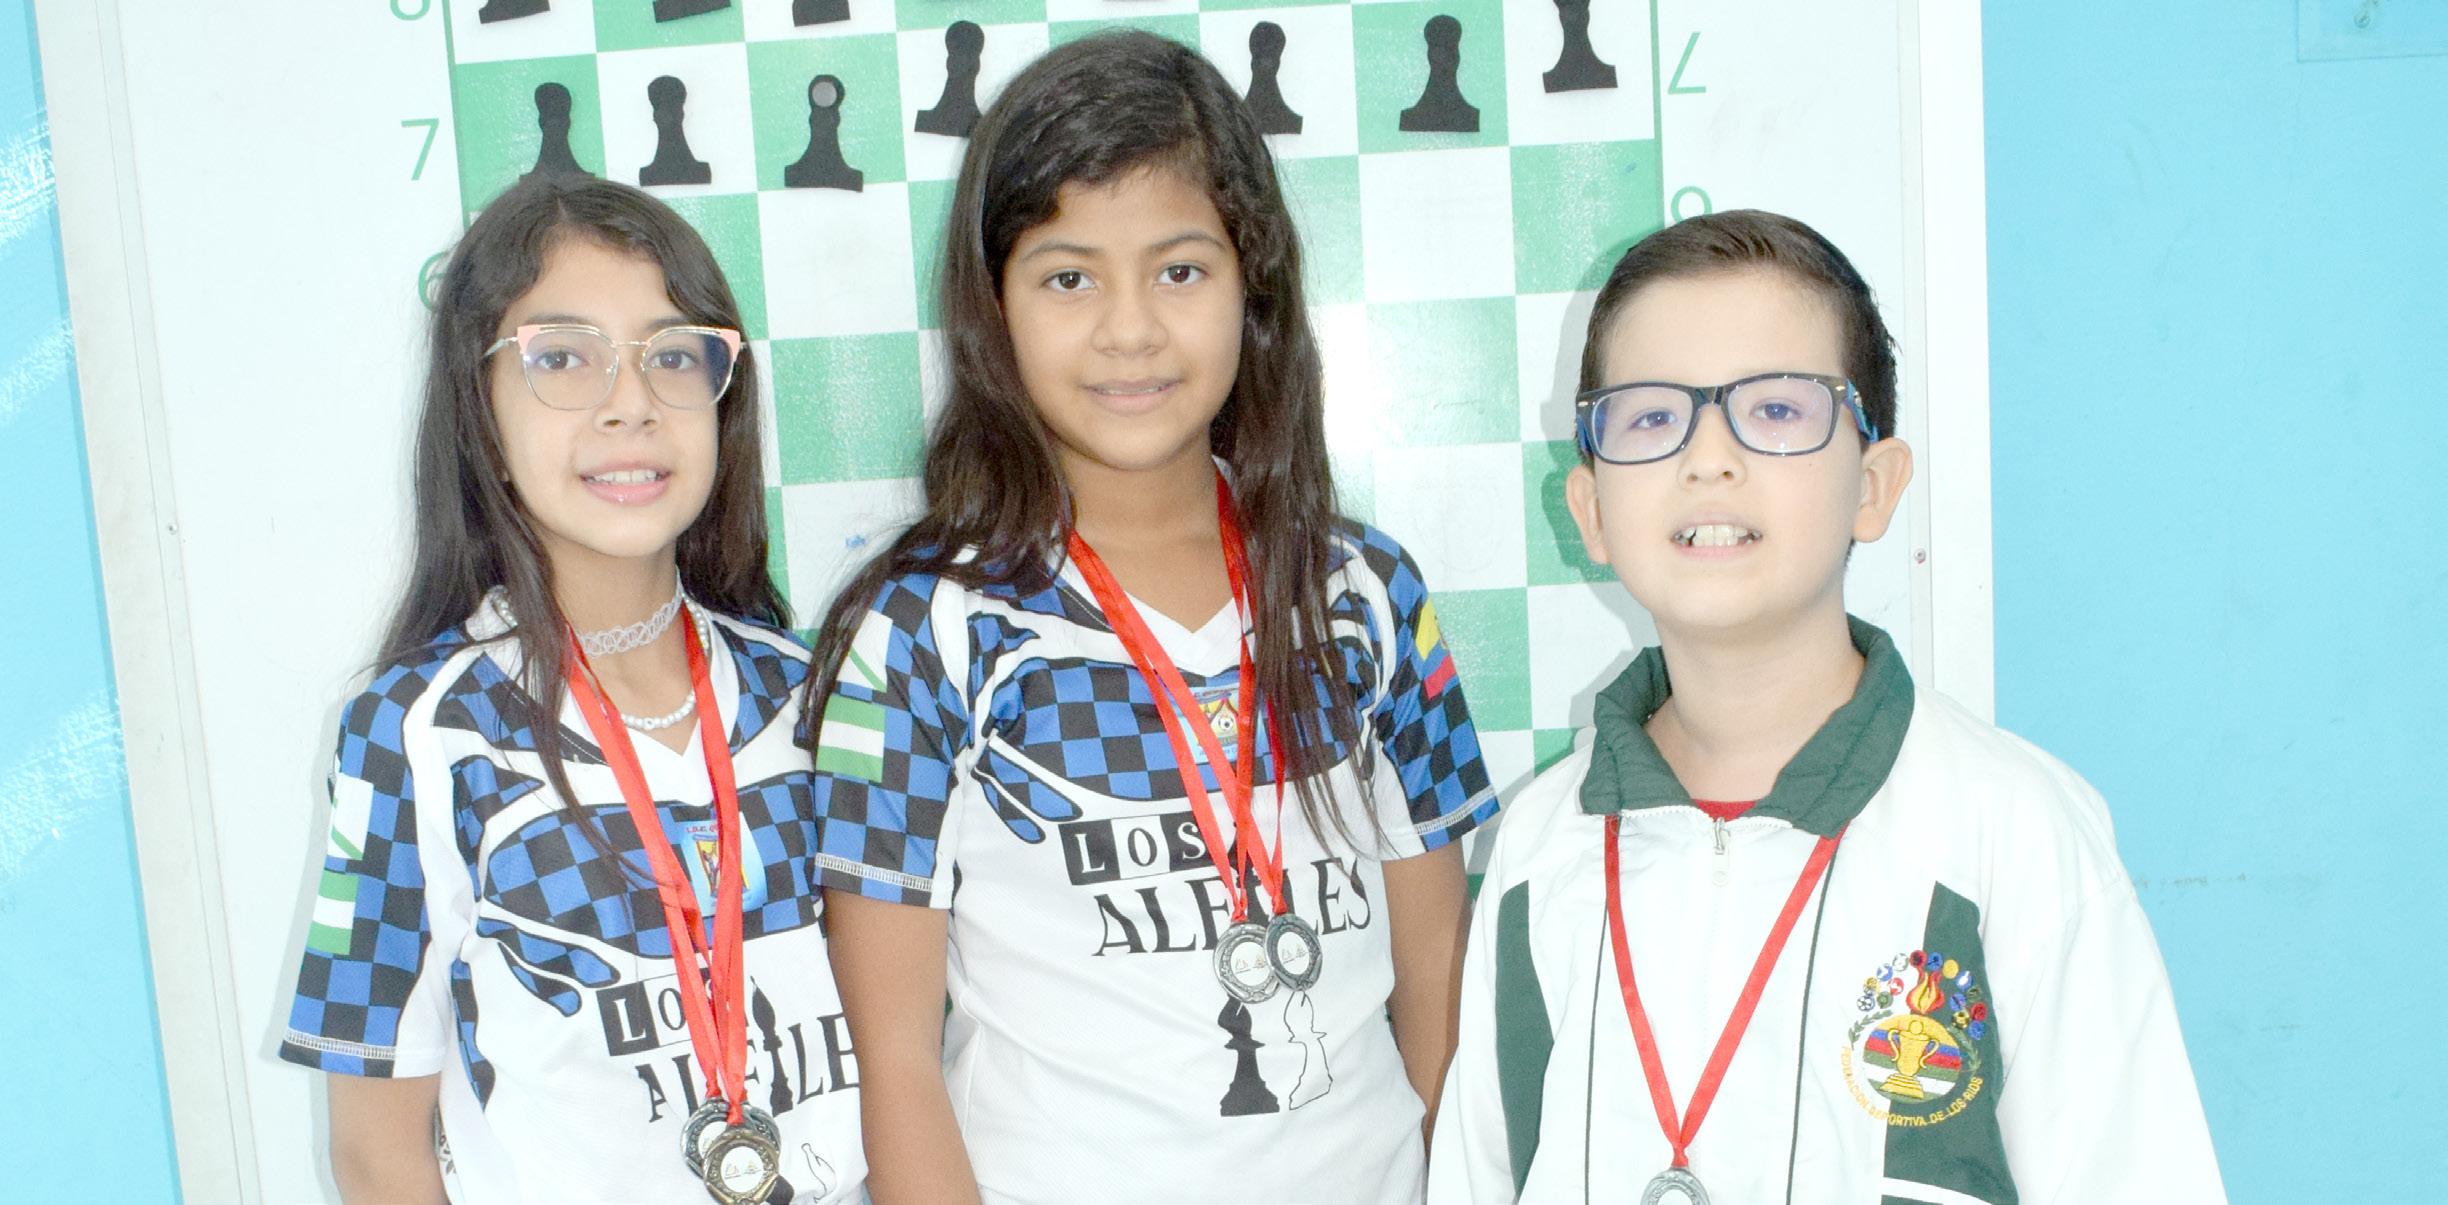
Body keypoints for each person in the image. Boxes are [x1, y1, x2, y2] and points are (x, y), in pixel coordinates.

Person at [801, 31, 1498, 1205]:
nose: (1130, 330)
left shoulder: (1365, 593)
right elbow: (894, 1062)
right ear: (994, 306)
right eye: (1069, 278)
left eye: (1180, 271)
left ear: (1252, 288)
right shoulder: (921, 630)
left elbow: (1436, 966)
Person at [1428, 210, 2224, 1204]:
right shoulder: (1539, 852)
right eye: (1651, 418)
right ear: (1590, 510)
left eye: (1775, 409)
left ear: (1874, 488)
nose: (1709, 458)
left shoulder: (2013, 835)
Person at [276, 174, 863, 1204]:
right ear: (479, 413)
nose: (629, 401)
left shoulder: (815, 699)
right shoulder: (416, 731)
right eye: (562, 357)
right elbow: (375, 1152)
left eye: (673, 355)